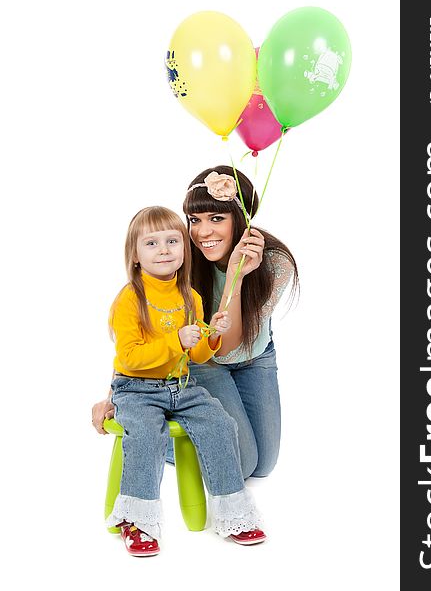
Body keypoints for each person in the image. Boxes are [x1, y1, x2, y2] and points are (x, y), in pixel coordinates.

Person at [93, 166, 298, 479]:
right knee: (242, 466)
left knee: (264, 465)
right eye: (194, 219)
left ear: (239, 218)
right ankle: (146, 440)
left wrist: (237, 276)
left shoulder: (274, 264)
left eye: (217, 219)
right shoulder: (181, 256)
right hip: (205, 362)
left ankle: (181, 434)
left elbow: (234, 347)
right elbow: (140, 324)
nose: (203, 232)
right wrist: (115, 397)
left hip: (255, 359)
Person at [103, 206, 266, 557]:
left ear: (183, 250)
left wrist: (211, 337)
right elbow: (129, 357)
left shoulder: (190, 297)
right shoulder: (130, 299)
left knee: (221, 424)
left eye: (172, 241)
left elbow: (197, 357)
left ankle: (234, 514)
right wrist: (178, 339)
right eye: (152, 243)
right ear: (135, 255)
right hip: (136, 389)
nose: (163, 249)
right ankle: (137, 521)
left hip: (181, 386)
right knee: (147, 433)